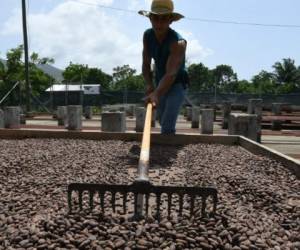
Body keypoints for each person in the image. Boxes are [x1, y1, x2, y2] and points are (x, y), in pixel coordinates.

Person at [139, 0, 189, 134]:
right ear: (150, 18)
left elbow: (171, 74)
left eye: (164, 18)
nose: (159, 23)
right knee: (161, 117)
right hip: (159, 79)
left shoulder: (178, 43)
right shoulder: (147, 35)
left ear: (171, 20)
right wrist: (150, 86)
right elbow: (145, 63)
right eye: (155, 18)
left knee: (167, 123)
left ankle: (166, 149)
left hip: (177, 83)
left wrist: (156, 93)